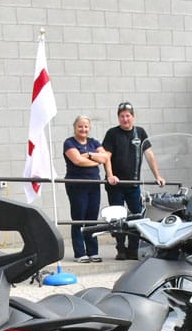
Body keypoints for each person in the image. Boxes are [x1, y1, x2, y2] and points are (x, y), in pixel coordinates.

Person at [102, 102, 164, 260]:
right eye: (122, 116)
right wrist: (110, 175)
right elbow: (106, 156)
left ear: (133, 117)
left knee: (137, 217)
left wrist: (157, 175)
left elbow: (149, 155)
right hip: (116, 185)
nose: (125, 119)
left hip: (133, 185)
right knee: (117, 218)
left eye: (128, 116)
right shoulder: (112, 133)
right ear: (118, 118)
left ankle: (133, 249)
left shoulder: (140, 133)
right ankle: (121, 248)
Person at [63, 115, 108, 262]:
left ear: (89, 128)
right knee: (78, 218)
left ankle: (93, 252)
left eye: (86, 126)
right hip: (77, 185)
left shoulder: (93, 142)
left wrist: (88, 155)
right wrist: (96, 161)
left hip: (94, 184)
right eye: (80, 126)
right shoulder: (69, 142)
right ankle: (80, 253)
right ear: (75, 127)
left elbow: (105, 158)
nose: (83, 129)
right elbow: (77, 161)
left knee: (92, 219)